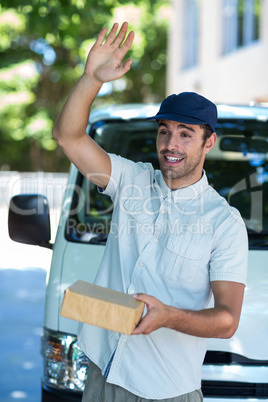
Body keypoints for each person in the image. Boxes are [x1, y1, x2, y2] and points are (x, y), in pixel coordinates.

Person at [53, 22, 248, 402]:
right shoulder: (131, 180)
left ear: (209, 142)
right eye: (164, 131)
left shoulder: (224, 223)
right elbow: (68, 136)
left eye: (185, 133)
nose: (171, 144)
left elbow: (227, 320)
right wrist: (91, 78)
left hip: (165, 392)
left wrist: (169, 317)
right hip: (101, 372)